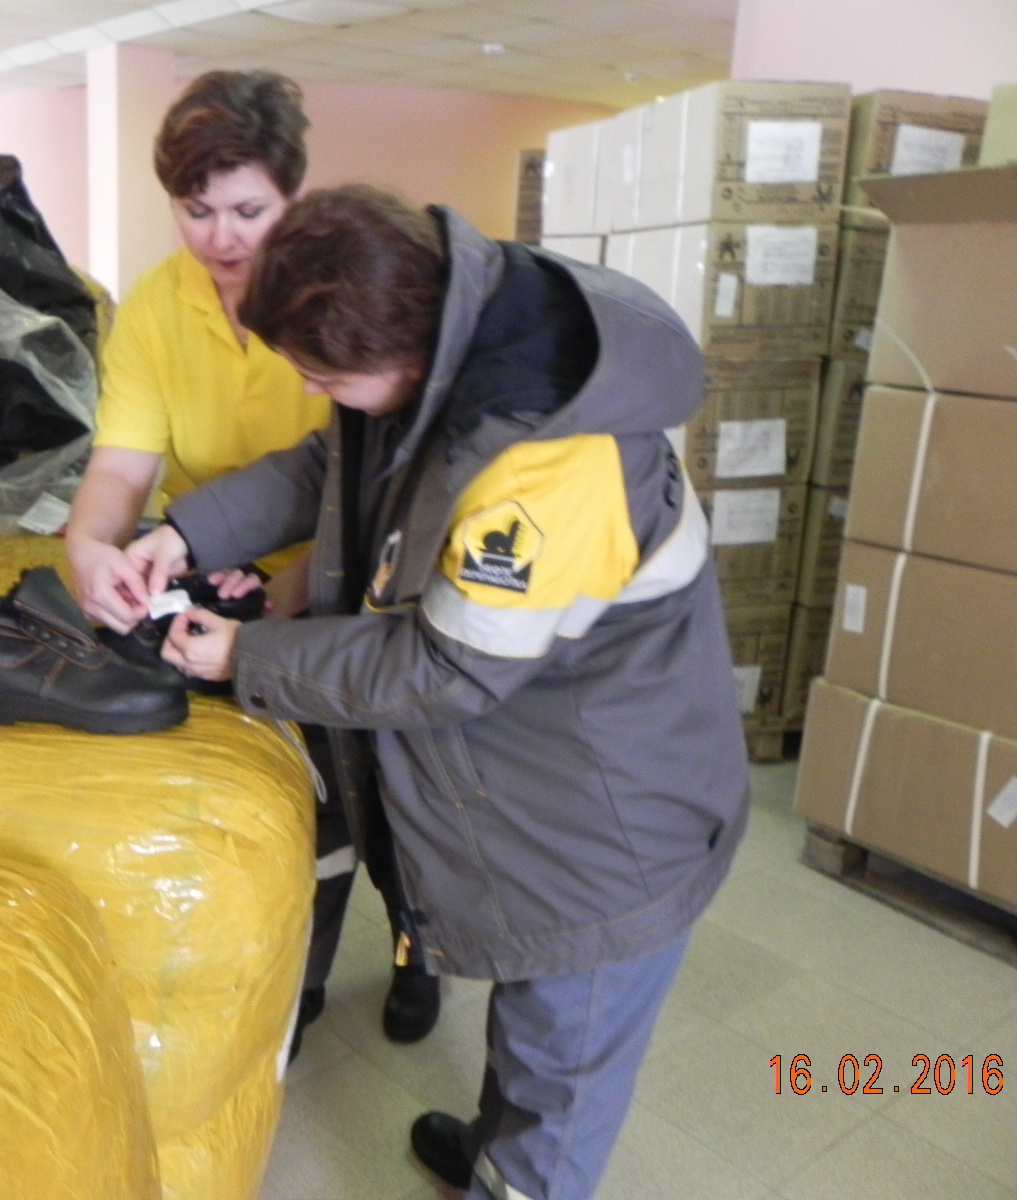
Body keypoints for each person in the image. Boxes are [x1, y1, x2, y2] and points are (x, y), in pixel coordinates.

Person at [124, 186, 749, 1199]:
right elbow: (332, 464)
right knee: (531, 1025)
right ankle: (497, 1145)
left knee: (562, 1060)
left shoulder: (548, 465)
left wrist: (247, 658)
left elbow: (444, 667)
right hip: (547, 770)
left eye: (323, 374)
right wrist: (185, 533)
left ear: (404, 355)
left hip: (611, 827)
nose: (309, 388)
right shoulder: (455, 335)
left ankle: (520, 1176)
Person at [63, 74, 440, 1053]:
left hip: (349, 572)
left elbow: (366, 479)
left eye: (247, 211)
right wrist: (91, 546)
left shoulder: (338, 296)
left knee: (386, 791)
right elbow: (121, 464)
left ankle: (418, 947)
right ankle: (296, 979)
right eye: (197, 212)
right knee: (286, 800)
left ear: (293, 196)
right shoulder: (157, 305)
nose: (221, 238)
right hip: (210, 566)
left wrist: (298, 581)